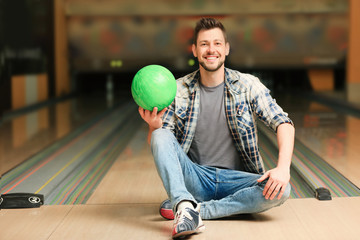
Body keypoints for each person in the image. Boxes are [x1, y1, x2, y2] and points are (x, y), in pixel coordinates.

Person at [138, 17, 295, 239]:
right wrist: (154, 128)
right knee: (161, 134)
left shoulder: (248, 85)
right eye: (204, 44)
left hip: (238, 180)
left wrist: (283, 168)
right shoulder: (177, 90)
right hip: (196, 178)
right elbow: (162, 145)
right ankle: (187, 204)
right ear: (194, 50)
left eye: (217, 43)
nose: (211, 49)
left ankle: (193, 209)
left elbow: (283, 123)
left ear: (226, 48)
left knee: (282, 190)